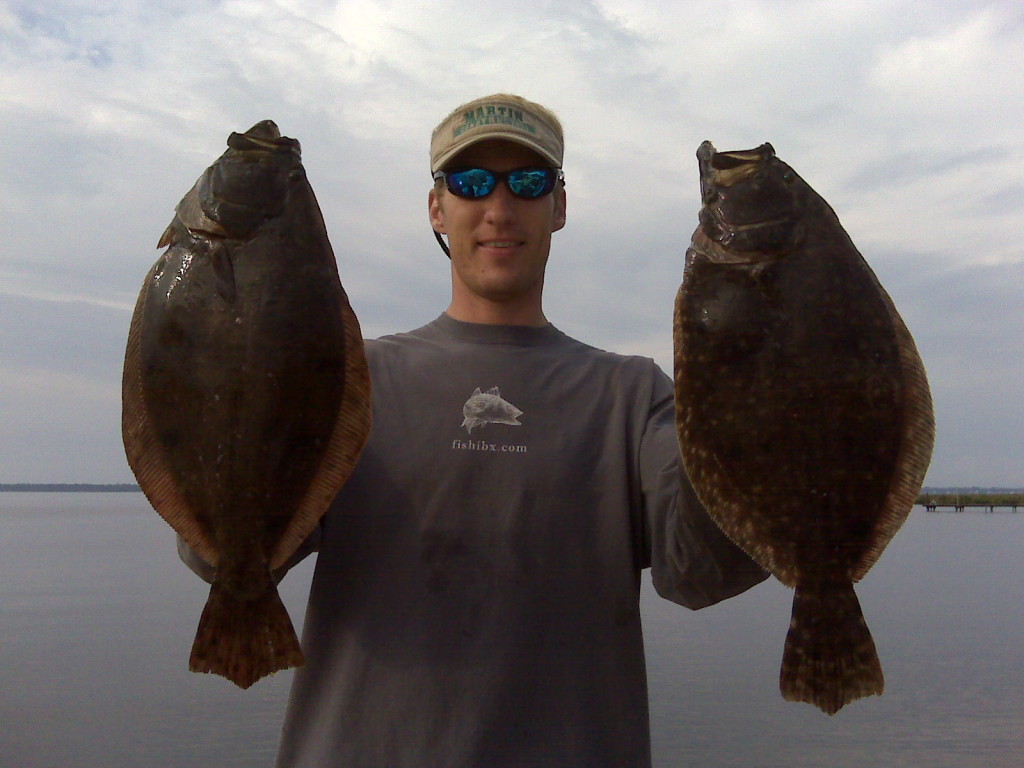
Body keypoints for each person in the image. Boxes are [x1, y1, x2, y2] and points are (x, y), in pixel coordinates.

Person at [181, 92, 768, 768]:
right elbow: (223, 556)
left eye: (527, 182)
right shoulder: (347, 382)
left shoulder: (634, 398)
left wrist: (763, 410)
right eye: (469, 182)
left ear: (560, 206)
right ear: (437, 208)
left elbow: (703, 570)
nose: (498, 208)